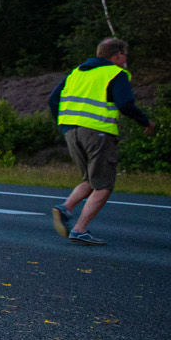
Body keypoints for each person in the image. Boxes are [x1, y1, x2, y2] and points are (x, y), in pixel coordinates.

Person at [50, 37, 153, 246]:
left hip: (70, 131)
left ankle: (65, 208)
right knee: (104, 185)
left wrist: (64, 125)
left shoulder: (77, 72)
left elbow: (53, 99)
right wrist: (146, 122)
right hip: (98, 132)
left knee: (91, 179)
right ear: (118, 55)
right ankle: (79, 230)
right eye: (125, 55)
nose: (126, 59)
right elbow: (125, 104)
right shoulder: (116, 73)